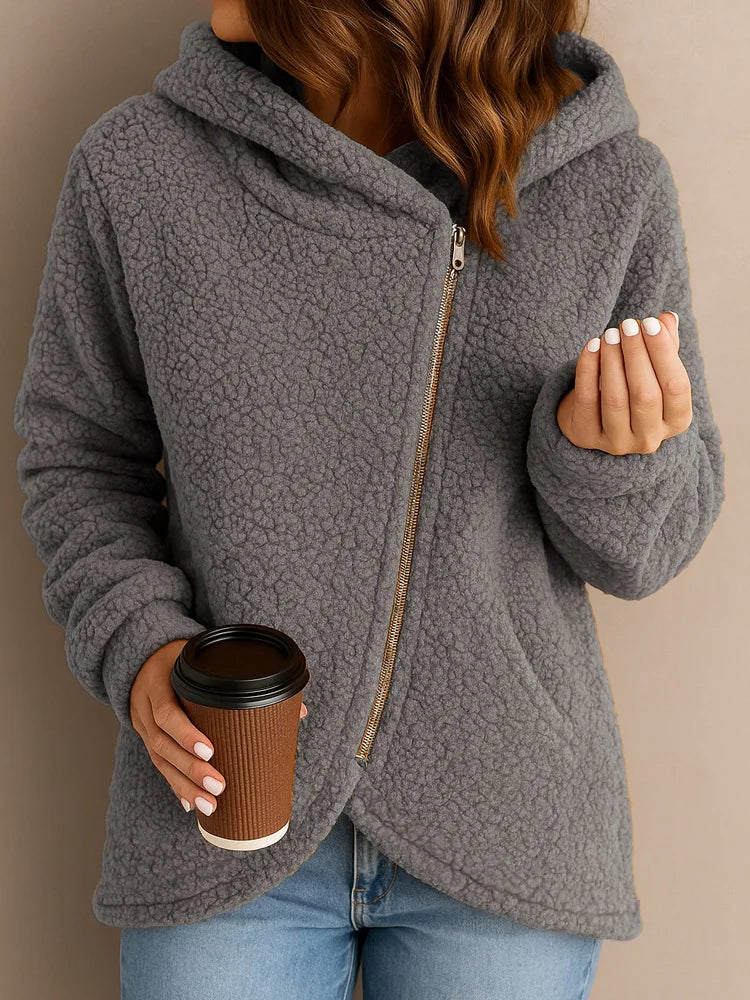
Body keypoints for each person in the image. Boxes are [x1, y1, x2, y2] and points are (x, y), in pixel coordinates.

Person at [12, 1, 725, 997]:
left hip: (505, 831)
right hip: (222, 817)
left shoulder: (607, 186)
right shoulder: (140, 168)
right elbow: (78, 457)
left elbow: (647, 549)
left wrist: (609, 455)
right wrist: (139, 644)